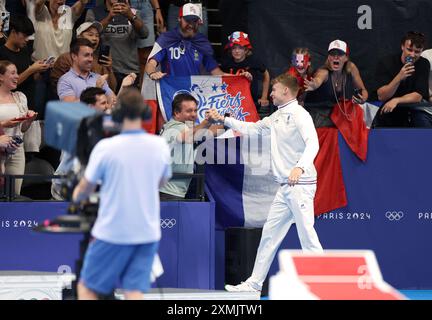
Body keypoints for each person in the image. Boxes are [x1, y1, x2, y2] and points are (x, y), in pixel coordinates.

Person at [207, 73, 323, 293]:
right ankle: (254, 284)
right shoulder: (276, 117)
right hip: (285, 188)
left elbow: (313, 144)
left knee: (307, 236)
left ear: (286, 92)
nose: (270, 93)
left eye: (274, 90)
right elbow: (252, 128)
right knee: (268, 236)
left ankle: (323, 286)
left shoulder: (300, 114)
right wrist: (224, 119)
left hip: (302, 184)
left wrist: (300, 166)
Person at [72, 87, 171, 300]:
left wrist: (76, 197)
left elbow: (85, 187)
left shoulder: (106, 147)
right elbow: (161, 180)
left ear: (117, 114)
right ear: (144, 113)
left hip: (112, 231)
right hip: (147, 231)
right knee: (134, 291)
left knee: (87, 288)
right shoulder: (159, 145)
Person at [159, 93, 221, 200]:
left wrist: (227, 122)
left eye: (195, 110)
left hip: (173, 191)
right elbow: (187, 135)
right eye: (189, 111)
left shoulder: (186, 127)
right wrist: (207, 121)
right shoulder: (173, 128)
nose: (194, 114)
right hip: (166, 192)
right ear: (177, 113)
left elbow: (210, 132)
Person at [145, 3, 224, 80]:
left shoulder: (202, 42)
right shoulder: (166, 39)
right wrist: (153, 73)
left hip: (193, 90)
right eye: (187, 20)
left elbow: (215, 71)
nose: (191, 25)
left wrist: (234, 78)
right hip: (171, 90)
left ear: (199, 22)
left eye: (194, 21)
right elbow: (151, 63)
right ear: (179, 19)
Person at [85, 0, 148, 90]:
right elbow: (88, 36)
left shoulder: (132, 12)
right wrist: (109, 17)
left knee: (127, 104)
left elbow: (144, 34)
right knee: (104, 102)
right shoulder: (94, 12)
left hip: (129, 70)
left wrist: (131, 16)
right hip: (103, 69)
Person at [304, 40, 368, 128]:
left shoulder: (351, 68)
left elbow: (363, 90)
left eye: (340, 54)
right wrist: (313, 85)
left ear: (346, 57)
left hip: (336, 114)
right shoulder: (324, 72)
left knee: (355, 117)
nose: (336, 57)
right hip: (316, 113)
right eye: (332, 54)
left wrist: (363, 98)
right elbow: (318, 80)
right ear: (328, 57)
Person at [374, 31, 431, 127]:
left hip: (412, 108)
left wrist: (397, 100)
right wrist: (399, 77)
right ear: (402, 47)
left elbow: (418, 96)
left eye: (417, 52)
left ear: (421, 51)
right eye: (409, 50)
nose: (412, 55)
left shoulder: (423, 63)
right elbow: (382, 96)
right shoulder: (386, 63)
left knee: (421, 120)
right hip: (388, 108)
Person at [0, 15, 50, 116]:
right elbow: (8, 84)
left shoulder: (24, 50)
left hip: (29, 100)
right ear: (13, 32)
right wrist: (31, 69)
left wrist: (39, 69)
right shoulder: (2, 53)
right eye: (25, 35)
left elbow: (31, 78)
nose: (27, 39)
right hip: (11, 105)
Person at [0, 60, 38, 195]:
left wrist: (28, 120)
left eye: (17, 73)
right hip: (0, 149)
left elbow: (22, 129)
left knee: (14, 194)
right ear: (1, 76)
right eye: (13, 73)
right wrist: (4, 124)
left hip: (16, 151)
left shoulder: (20, 97)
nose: (17, 76)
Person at [50, 21, 117, 92]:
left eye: (97, 35)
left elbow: (113, 88)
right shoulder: (66, 58)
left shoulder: (99, 60)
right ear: (79, 37)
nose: (95, 38)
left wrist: (109, 68)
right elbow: (59, 86)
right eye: (90, 35)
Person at [220, 31, 270, 116]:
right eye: (234, 48)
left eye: (240, 48)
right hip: (231, 102)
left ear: (246, 50)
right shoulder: (226, 63)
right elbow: (218, 76)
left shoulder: (254, 61)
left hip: (250, 101)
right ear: (230, 50)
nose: (237, 51)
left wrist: (264, 97)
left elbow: (266, 74)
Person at [57, 38, 115, 105]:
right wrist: (96, 90)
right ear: (74, 56)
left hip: (101, 114)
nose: (91, 59)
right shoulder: (65, 81)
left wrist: (123, 87)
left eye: (91, 55)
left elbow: (113, 100)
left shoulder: (98, 78)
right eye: (86, 55)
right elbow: (71, 107)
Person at [129, 0, 164, 85]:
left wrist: (157, 10)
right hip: (128, 5)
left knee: (145, 56)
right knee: (128, 49)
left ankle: (143, 89)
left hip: (145, 5)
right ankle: (130, 85)